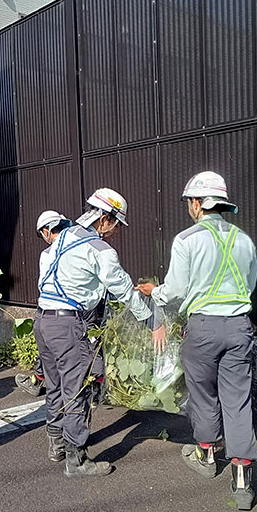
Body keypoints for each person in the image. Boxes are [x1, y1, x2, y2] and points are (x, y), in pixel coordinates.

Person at [137, 172, 257, 510]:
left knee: (203, 393)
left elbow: (176, 290)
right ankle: (242, 479)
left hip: (203, 327)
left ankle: (206, 455)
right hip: (239, 326)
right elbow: (250, 284)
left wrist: (154, 292)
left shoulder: (187, 239)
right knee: (238, 399)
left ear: (196, 203)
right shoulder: (244, 240)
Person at [34, 190, 160, 478]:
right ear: (104, 219)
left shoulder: (60, 238)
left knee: (54, 384)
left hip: (43, 320)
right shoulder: (100, 250)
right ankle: (76, 459)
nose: (115, 232)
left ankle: (56, 443)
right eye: (115, 225)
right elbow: (123, 289)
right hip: (68, 325)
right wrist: (151, 321)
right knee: (76, 389)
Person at [14, 211, 106, 404]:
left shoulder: (49, 253)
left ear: (46, 231)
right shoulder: (82, 242)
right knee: (92, 340)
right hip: (88, 301)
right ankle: (96, 385)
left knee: (57, 353)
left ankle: (44, 383)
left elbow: (43, 285)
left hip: (64, 309)